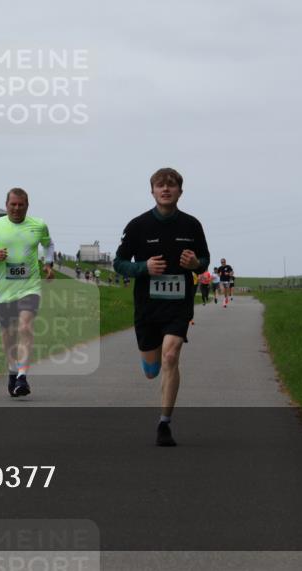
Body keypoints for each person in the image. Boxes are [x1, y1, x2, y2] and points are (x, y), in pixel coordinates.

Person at [114, 168, 209, 447]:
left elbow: (204, 258)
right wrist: (144, 267)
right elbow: (118, 263)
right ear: (152, 191)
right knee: (152, 369)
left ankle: (164, 424)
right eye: (160, 185)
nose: (165, 189)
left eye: (171, 185)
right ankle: (151, 365)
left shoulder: (192, 225)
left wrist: (196, 265)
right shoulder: (137, 226)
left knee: (171, 356)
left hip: (178, 306)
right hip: (147, 308)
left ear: (180, 191)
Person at [0, 188, 55, 397]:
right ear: (6, 205)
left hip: (30, 287)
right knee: (8, 334)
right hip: (3, 290)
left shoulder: (38, 225)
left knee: (25, 326)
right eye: (13, 204)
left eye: (21, 205)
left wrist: (48, 264)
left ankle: (22, 376)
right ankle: (12, 371)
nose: (17, 208)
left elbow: (48, 245)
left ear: (27, 206)